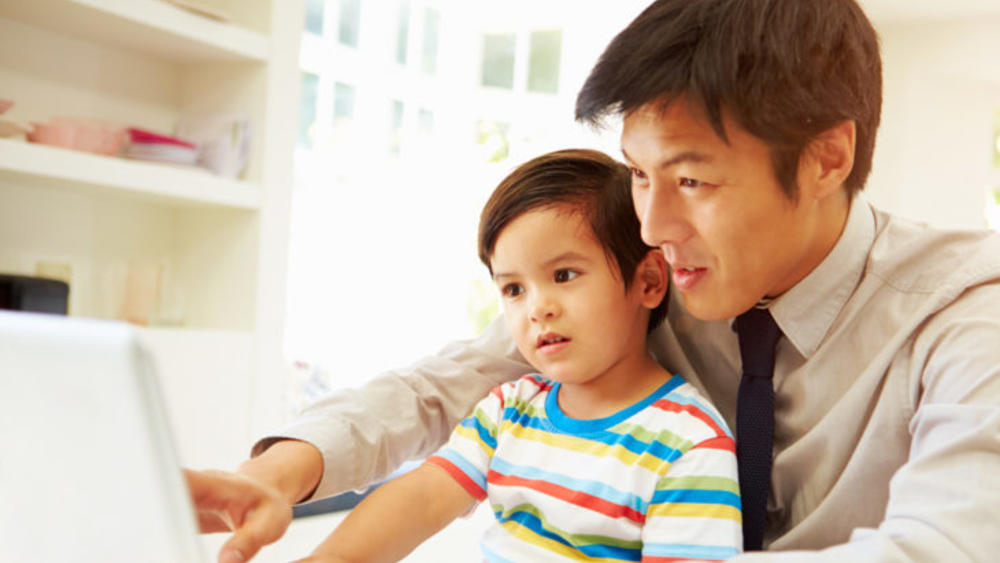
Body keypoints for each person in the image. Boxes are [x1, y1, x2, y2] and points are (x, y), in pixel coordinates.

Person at [187, 0, 1000, 561]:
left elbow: (946, 547)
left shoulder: (966, 316)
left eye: (692, 180)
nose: (653, 225)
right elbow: (449, 385)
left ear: (828, 157)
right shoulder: (650, 276)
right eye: (640, 175)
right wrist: (280, 473)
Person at [293, 148, 741, 562]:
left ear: (648, 282)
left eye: (564, 275)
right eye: (513, 289)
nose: (537, 308)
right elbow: (423, 498)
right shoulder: (509, 409)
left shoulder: (689, 445)